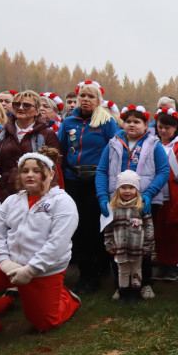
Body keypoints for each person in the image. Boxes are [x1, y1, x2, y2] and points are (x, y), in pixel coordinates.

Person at [0, 149, 81, 346]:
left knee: (44, 324)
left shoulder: (63, 202)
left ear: (51, 174)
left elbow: (57, 243)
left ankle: (68, 298)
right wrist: (5, 262)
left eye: (37, 170)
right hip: (7, 264)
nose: (30, 175)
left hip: (42, 270)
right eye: (25, 170)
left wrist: (30, 270)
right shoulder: (12, 200)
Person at [96, 104, 170, 299]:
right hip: (117, 201)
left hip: (144, 202)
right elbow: (102, 171)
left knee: (141, 243)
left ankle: (145, 283)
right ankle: (120, 285)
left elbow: (163, 171)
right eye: (128, 121)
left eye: (137, 122)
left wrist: (149, 194)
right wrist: (103, 196)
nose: (131, 125)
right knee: (118, 243)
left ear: (146, 124)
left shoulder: (154, 144)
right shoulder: (113, 143)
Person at [58, 80, 119, 295]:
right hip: (73, 181)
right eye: (82, 95)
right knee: (78, 228)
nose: (85, 99)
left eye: (91, 96)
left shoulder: (106, 121)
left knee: (94, 228)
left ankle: (97, 271)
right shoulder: (68, 123)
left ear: (98, 100)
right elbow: (62, 150)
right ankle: (85, 273)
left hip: (96, 180)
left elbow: (114, 152)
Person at [0, 90, 59, 202]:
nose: (20, 108)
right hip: (3, 191)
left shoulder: (46, 134)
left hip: (35, 191)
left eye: (26, 105)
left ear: (36, 111)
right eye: (16, 104)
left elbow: (55, 166)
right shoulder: (1, 133)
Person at [152, 108, 178, 282]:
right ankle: (162, 263)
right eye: (161, 127)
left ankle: (173, 264)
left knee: (174, 229)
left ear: (176, 127)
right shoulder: (152, 144)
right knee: (158, 231)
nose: (164, 131)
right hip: (157, 195)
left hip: (174, 194)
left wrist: (173, 175)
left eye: (168, 127)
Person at [103, 170, 154, 305]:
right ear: (118, 189)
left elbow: (149, 227)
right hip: (120, 248)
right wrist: (109, 244)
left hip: (136, 248)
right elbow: (108, 228)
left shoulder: (141, 207)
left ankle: (135, 294)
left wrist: (147, 246)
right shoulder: (113, 208)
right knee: (123, 271)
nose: (127, 191)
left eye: (131, 187)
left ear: (136, 189)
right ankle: (124, 294)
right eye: (123, 187)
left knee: (136, 270)